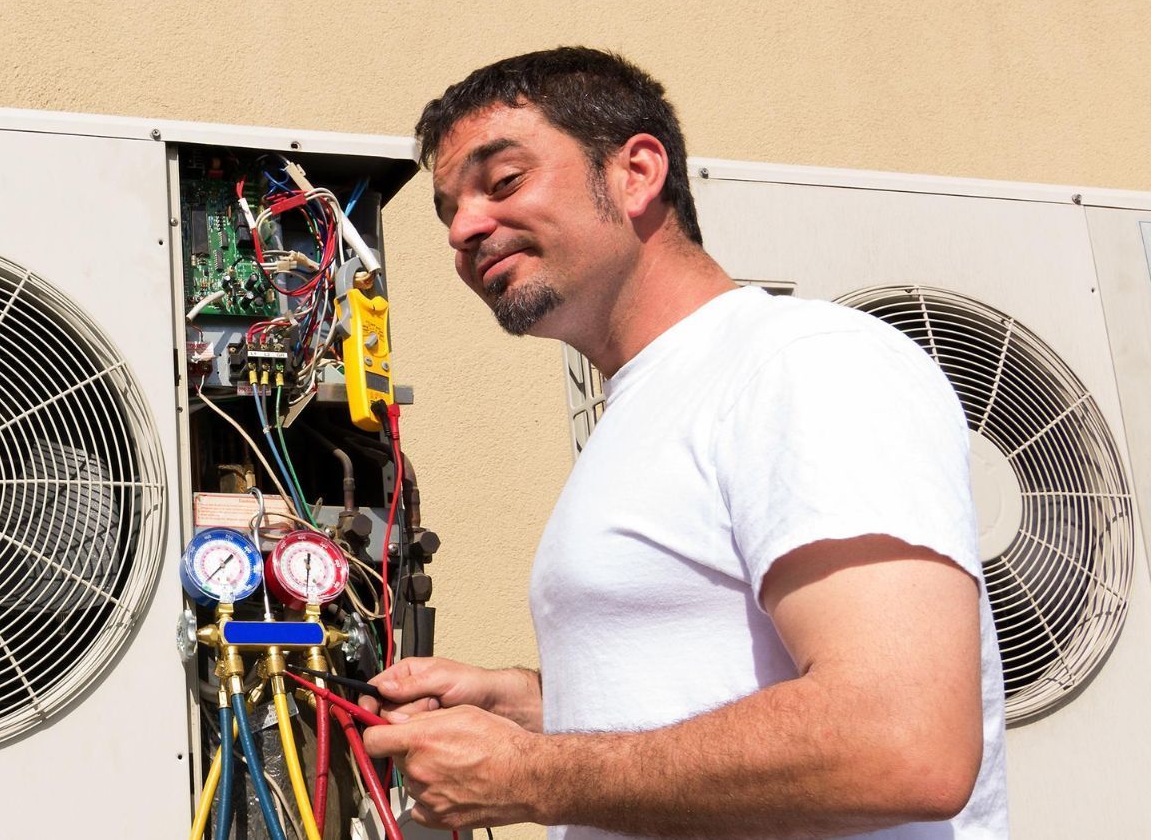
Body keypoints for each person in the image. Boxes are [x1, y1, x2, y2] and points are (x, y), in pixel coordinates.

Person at [360, 48, 1008, 838]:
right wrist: (532, 706)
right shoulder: (645, 405)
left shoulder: (805, 361)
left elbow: (902, 739)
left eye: (502, 182)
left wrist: (530, 776)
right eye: (448, 211)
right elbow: (715, 685)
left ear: (636, 172)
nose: (465, 228)